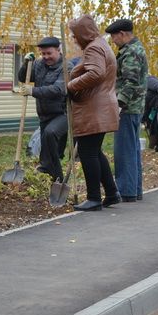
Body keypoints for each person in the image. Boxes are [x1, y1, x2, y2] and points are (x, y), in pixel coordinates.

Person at [66, 14, 120, 211]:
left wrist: (71, 86)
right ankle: (112, 193)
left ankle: (94, 198)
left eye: (75, 35)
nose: (74, 39)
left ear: (83, 33)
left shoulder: (94, 47)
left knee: (88, 152)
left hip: (94, 108)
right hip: (102, 106)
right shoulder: (101, 44)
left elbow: (96, 73)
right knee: (95, 151)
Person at [105, 18, 148, 203]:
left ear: (122, 34)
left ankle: (126, 191)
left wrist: (119, 105)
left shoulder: (131, 52)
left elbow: (130, 82)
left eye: (114, 37)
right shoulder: (134, 49)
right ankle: (134, 190)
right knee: (132, 150)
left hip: (127, 108)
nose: (113, 41)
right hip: (134, 107)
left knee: (124, 151)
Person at [16, 36, 68, 181]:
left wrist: (33, 91)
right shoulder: (39, 64)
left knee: (50, 135)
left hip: (63, 113)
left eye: (49, 53)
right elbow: (23, 77)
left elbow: (58, 89)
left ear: (58, 50)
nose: (46, 57)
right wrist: (26, 64)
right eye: (43, 54)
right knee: (48, 148)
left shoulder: (66, 67)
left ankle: (58, 177)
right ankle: (48, 172)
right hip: (45, 114)